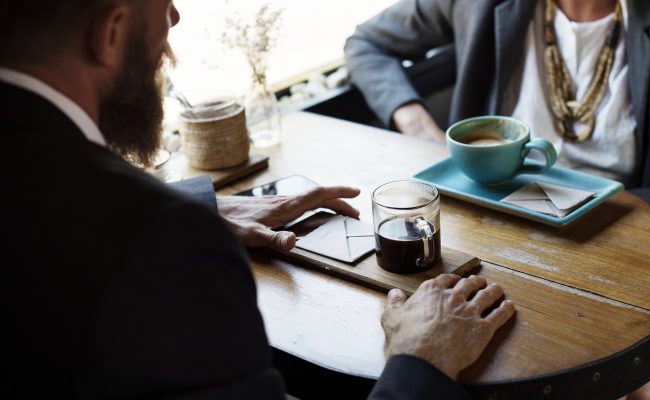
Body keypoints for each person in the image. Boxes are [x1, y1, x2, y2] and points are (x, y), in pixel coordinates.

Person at [0, 1, 516, 398]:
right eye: (164, 4)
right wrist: (420, 362)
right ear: (109, 34)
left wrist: (206, 206)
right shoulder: (163, 246)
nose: (176, 18)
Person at [344, 0, 650, 399]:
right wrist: (417, 125)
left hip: (641, 244)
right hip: (508, 237)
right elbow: (365, 43)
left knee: (632, 374)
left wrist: (550, 218)